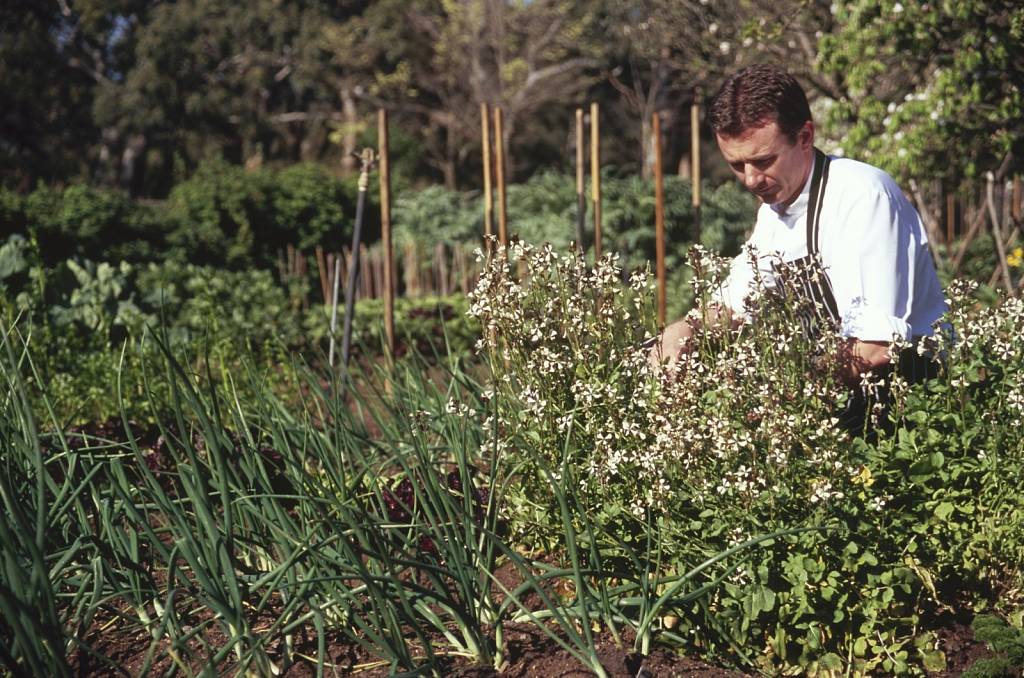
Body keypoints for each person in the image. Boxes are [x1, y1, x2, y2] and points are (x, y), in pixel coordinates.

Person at [651, 64, 947, 431]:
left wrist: (783, 396)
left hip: (913, 407)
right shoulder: (776, 210)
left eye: (762, 161)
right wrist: (684, 330)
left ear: (805, 136)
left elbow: (876, 347)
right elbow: (735, 301)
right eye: (737, 165)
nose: (751, 180)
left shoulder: (862, 196)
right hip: (836, 396)